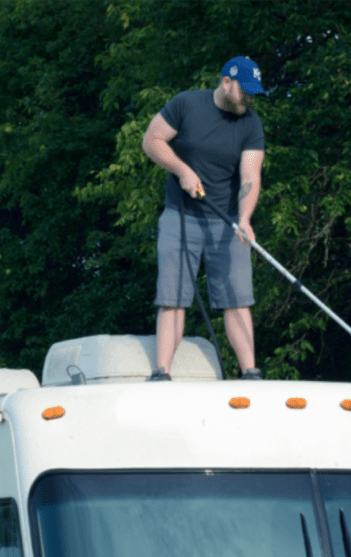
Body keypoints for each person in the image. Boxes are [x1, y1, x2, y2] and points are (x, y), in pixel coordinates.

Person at [141, 56, 266, 380]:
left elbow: (250, 176)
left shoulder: (250, 123)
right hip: (180, 216)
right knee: (173, 298)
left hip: (228, 222)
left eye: (255, 93)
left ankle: (250, 373)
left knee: (238, 299)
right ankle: (161, 373)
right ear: (227, 81)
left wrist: (245, 218)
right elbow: (151, 140)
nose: (249, 99)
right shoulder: (186, 104)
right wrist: (182, 170)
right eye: (245, 91)